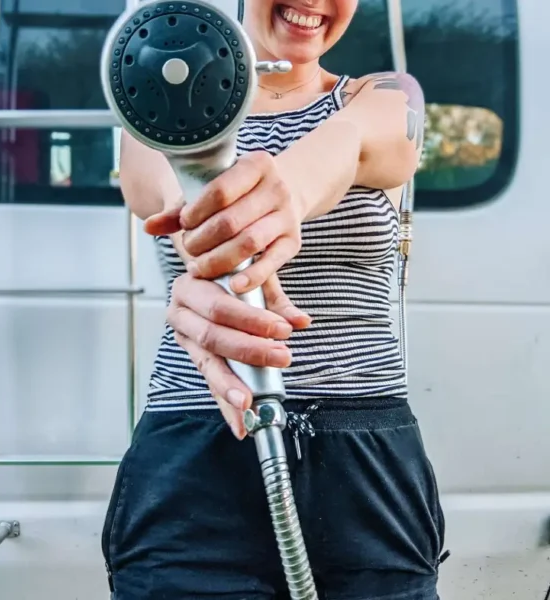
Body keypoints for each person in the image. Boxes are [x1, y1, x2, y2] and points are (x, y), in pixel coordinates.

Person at [101, 0, 447, 598]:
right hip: (194, 452)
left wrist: (285, 192)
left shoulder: (386, 96)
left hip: (364, 460)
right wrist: (213, 237)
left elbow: (360, 141)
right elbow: (165, 190)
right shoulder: (151, 98)